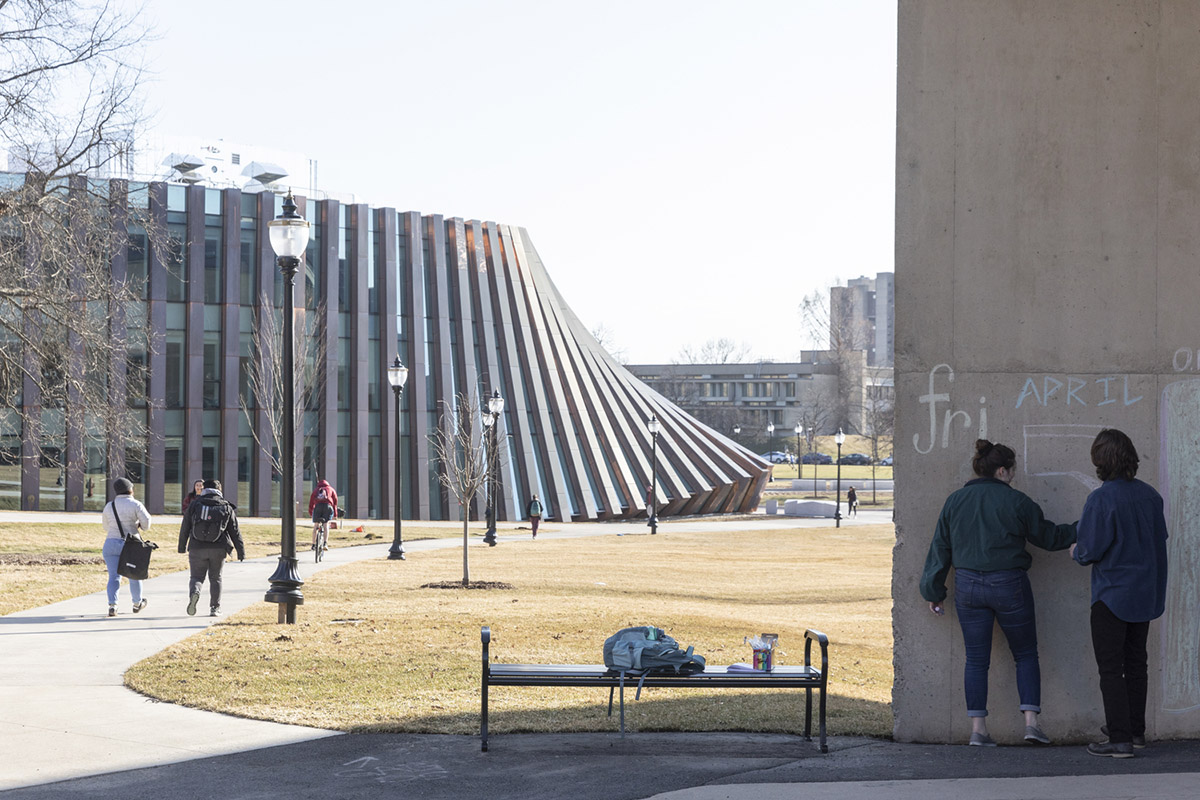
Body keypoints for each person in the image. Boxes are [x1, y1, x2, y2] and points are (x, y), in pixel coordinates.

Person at [920, 439, 1076, 747]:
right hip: (1009, 584)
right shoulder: (1018, 502)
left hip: (967, 585)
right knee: (1026, 653)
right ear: (1002, 470)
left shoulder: (955, 501)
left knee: (976, 660)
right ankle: (1031, 724)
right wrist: (1086, 526)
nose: (1015, 475)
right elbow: (1049, 537)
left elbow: (941, 548)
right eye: (1013, 470)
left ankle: (978, 730)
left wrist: (934, 590)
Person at [1072, 429, 1168, 758]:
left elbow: (1089, 551)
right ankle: (1135, 732)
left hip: (1112, 595)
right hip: (1145, 594)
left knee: (1111, 668)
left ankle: (1120, 740)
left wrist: (1074, 550)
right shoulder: (1151, 496)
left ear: (1100, 462)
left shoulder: (1101, 498)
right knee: (1136, 663)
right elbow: (1158, 542)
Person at [178, 478, 244, 617]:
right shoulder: (226, 506)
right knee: (216, 578)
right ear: (219, 490)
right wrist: (240, 551)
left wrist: (182, 546)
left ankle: (195, 593)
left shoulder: (195, 504)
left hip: (196, 547)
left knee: (196, 577)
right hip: (218, 548)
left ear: (203, 489)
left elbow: (185, 527)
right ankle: (215, 608)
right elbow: (235, 531)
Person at [101, 477, 151, 617]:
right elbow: (146, 523)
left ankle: (113, 605)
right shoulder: (135, 504)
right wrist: (138, 526)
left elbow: (106, 527)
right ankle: (137, 603)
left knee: (113, 577)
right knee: (134, 575)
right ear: (130, 489)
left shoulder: (109, 506)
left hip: (110, 543)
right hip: (130, 545)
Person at [309, 478, 339, 549]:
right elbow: (335, 503)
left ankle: (313, 544)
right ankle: (325, 543)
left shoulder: (316, 490)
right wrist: (335, 514)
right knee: (326, 525)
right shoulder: (331, 489)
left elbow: (311, 502)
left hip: (317, 507)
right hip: (327, 507)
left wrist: (311, 513)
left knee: (316, 526)